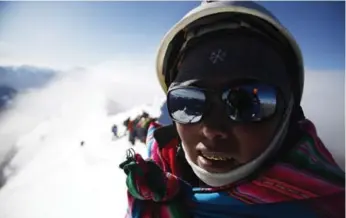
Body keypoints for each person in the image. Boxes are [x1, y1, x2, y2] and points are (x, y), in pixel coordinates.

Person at [119, 1, 345, 218]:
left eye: (246, 104)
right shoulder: (150, 183)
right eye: (188, 102)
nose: (210, 129)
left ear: (287, 113)